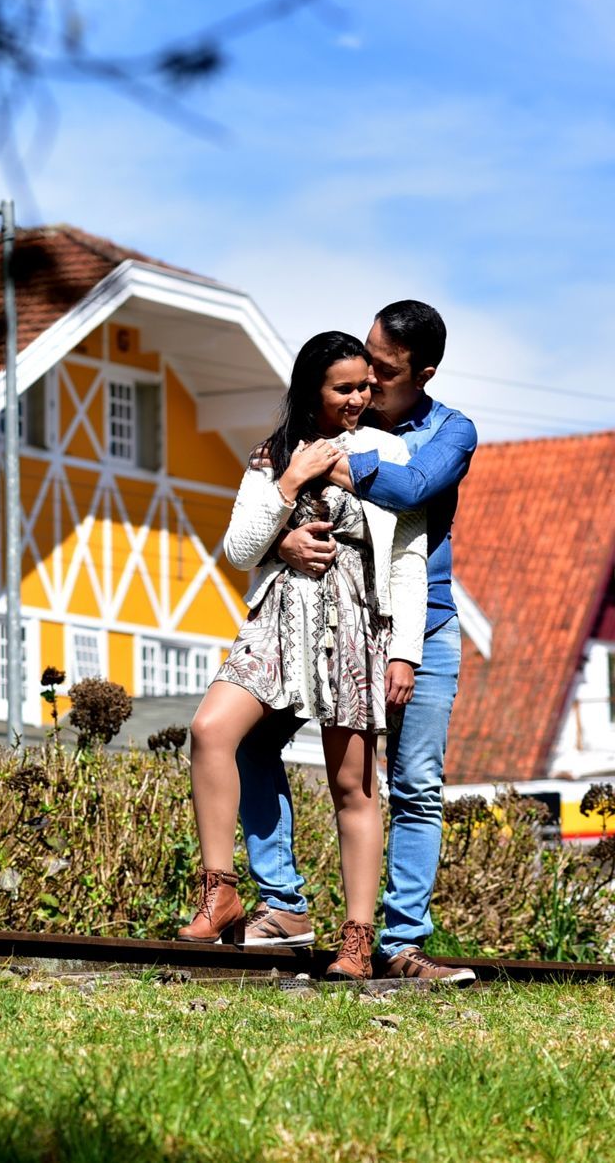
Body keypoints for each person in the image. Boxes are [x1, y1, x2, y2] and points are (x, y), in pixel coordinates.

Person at [237, 302, 479, 984]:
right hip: (330, 625)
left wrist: (340, 467)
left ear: (423, 372)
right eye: (364, 360)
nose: (367, 379)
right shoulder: (336, 421)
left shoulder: (447, 431)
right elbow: (269, 494)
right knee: (253, 741)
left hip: (421, 623)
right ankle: (283, 902)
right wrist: (280, 534)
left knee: (414, 784)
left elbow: (416, 489)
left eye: (385, 370)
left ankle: (398, 944)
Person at [175, 330, 426, 981]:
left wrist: (404, 653)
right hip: (280, 618)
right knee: (210, 731)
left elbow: (406, 560)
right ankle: (221, 891)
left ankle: (357, 941)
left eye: (365, 386)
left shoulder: (386, 451)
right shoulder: (273, 453)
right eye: (344, 387)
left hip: (353, 622)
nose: (360, 396)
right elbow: (237, 549)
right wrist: (286, 489)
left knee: (353, 784)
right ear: (311, 390)